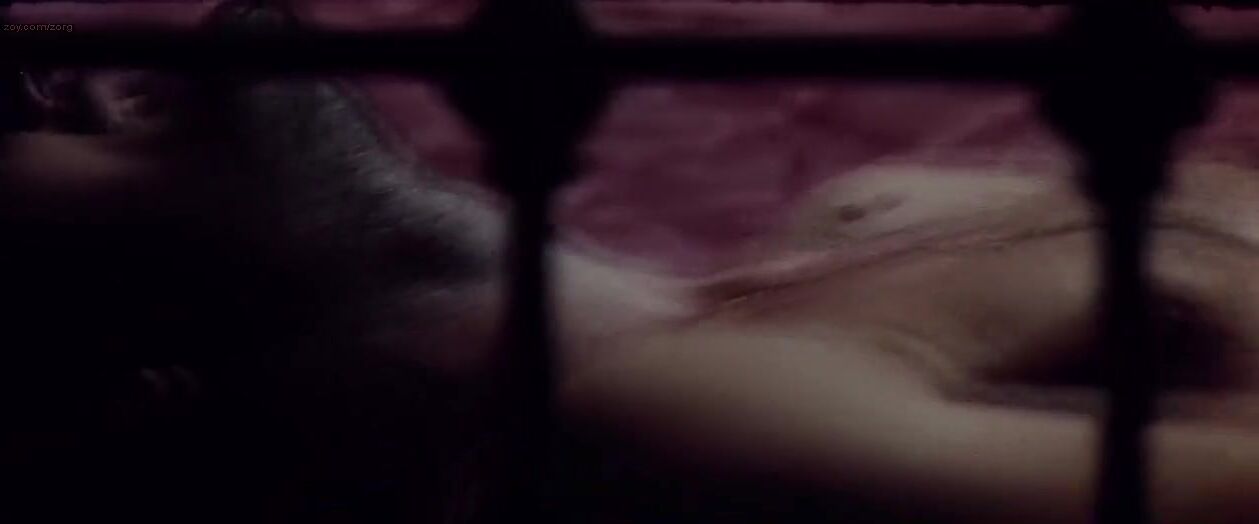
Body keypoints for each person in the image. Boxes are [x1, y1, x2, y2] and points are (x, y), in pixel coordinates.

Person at [5, 2, 1259, 523]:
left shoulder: (856, 231)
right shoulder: (686, 416)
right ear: (133, 387)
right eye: (21, 125)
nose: (74, 82)